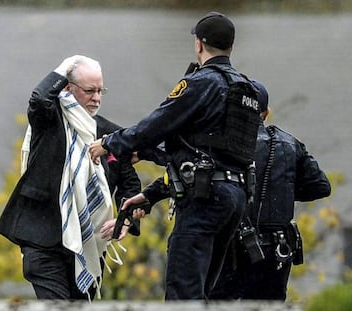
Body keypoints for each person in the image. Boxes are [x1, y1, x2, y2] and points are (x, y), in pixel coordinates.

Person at [90, 12, 267, 300]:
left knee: (183, 295)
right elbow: (205, 149)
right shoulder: (246, 89)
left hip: (204, 199)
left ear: (199, 44)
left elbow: (156, 124)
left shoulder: (202, 82)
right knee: (204, 292)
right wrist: (151, 191)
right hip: (235, 199)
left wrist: (110, 143)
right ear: (232, 47)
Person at [0, 55, 141, 300]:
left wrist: (125, 220)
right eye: (89, 91)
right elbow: (40, 98)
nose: (96, 98)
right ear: (68, 89)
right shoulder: (49, 119)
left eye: (100, 90)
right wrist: (69, 64)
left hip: (90, 245)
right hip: (43, 241)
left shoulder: (110, 135)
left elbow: (130, 183)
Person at [209, 102, 332, 301]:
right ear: (266, 113)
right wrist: (285, 190)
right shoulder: (290, 143)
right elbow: (321, 186)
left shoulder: (223, 143)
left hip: (232, 251)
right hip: (277, 252)